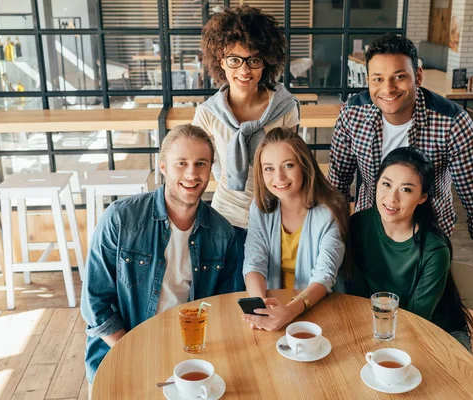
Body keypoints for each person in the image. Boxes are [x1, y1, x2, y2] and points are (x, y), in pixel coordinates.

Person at [328, 34, 473, 288]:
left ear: (417, 76)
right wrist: (337, 243)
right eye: (378, 79)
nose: (387, 89)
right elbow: (337, 185)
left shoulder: (452, 121)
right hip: (369, 229)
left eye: (399, 76)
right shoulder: (353, 113)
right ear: (368, 80)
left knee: (419, 309)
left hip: (427, 236)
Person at [81, 124, 239, 386]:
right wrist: (135, 354)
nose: (192, 173)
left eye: (201, 163)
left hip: (188, 353)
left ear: (211, 170)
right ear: (163, 166)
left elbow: (223, 309)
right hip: (121, 349)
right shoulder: (121, 219)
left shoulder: (222, 234)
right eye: (181, 163)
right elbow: (95, 303)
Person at [194, 6, 300, 289]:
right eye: (235, 60)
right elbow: (203, 170)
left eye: (253, 60)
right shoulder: (207, 114)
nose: (244, 70)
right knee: (229, 299)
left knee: (274, 298)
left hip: (274, 219)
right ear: (221, 60)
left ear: (266, 61)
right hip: (225, 218)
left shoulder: (285, 109)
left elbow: (291, 169)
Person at [347, 147, 473, 350]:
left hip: (436, 331)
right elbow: (357, 292)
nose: (392, 198)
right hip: (381, 327)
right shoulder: (359, 224)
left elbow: (417, 320)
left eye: (406, 189)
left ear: (422, 197)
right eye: (386, 184)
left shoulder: (434, 250)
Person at [241, 128, 348, 331]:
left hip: (317, 307)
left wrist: (289, 312)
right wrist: (260, 304)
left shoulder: (331, 210)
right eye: (269, 168)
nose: (279, 177)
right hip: (275, 307)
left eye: (288, 165)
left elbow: (324, 276)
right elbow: (254, 262)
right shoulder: (259, 208)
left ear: (305, 167)